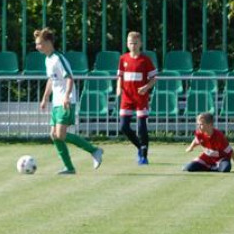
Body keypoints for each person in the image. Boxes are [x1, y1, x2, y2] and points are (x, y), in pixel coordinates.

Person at [35, 28, 104, 175]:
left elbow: (69, 78)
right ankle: (69, 167)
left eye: (39, 43)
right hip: (56, 102)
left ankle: (94, 150)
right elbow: (51, 80)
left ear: (48, 42)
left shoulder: (58, 58)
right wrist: (45, 97)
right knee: (54, 135)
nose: (37, 47)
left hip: (66, 101)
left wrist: (66, 96)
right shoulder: (47, 59)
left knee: (60, 135)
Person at [116, 31, 156, 165]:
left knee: (141, 126)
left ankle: (144, 156)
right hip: (127, 98)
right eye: (130, 43)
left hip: (140, 98)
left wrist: (146, 88)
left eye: (135, 43)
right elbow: (120, 76)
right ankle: (140, 146)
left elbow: (154, 78)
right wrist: (118, 87)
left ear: (140, 44)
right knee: (124, 126)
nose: (132, 45)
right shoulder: (123, 59)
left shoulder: (145, 60)